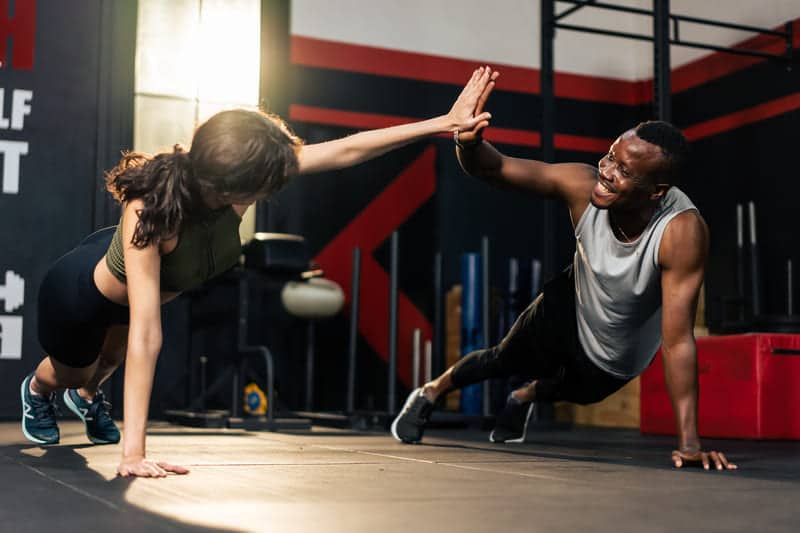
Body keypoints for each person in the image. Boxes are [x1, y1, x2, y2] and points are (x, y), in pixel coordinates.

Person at [20, 67, 497, 478]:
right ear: (225, 185)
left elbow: (346, 151)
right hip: (81, 294)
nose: (277, 184)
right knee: (74, 370)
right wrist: (134, 452)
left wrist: (442, 123)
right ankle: (40, 391)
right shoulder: (150, 214)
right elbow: (147, 332)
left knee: (106, 365)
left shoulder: (235, 182)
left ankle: (89, 395)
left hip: (128, 292)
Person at [390, 76, 737, 471]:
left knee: (577, 393)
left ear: (656, 191)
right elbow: (496, 168)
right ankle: (430, 392)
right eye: (609, 156)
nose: (606, 171)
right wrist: (468, 142)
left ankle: (522, 398)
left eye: (623, 170)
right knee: (503, 358)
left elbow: (677, 341)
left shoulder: (681, 231)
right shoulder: (581, 185)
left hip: (620, 347)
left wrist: (690, 444)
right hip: (569, 306)